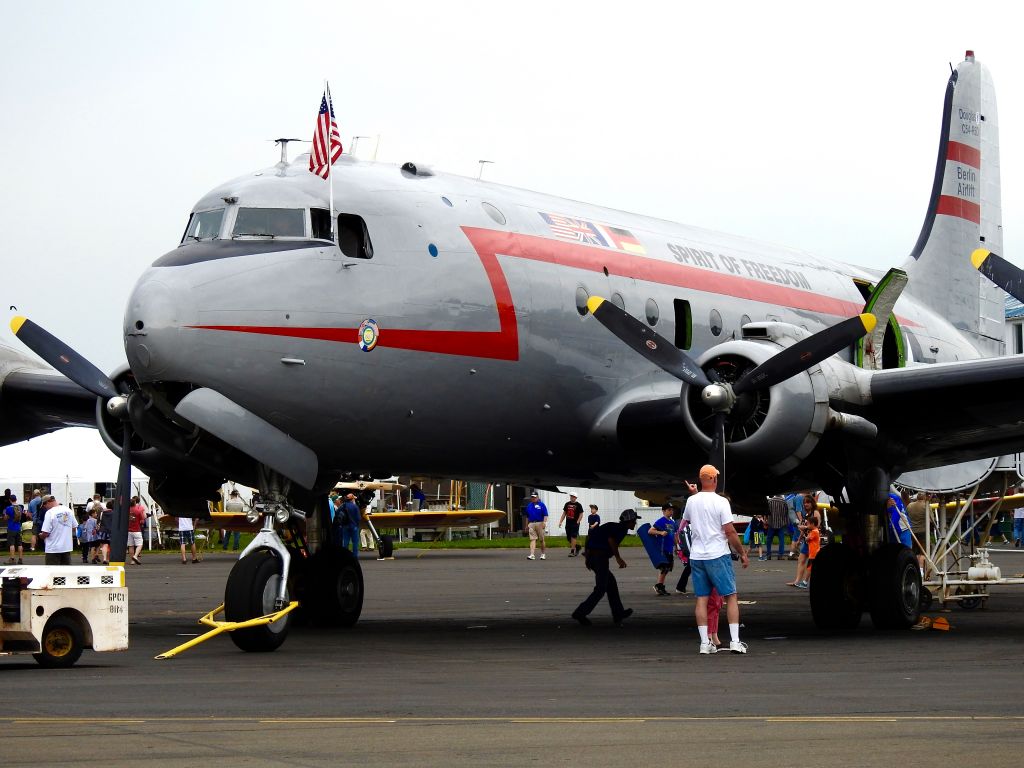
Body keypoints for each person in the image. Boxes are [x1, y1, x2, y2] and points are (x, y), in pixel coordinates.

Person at [683, 464, 749, 654]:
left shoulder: (691, 501)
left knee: (702, 599)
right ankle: (735, 641)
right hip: (717, 554)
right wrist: (742, 552)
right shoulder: (721, 502)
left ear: (701, 479)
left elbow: (686, 522)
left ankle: (705, 643)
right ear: (713, 479)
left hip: (697, 555)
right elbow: (730, 531)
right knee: (731, 596)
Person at [571, 508, 637, 626]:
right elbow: (611, 540)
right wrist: (618, 558)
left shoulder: (612, 526)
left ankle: (618, 614)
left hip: (594, 557)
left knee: (611, 584)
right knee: (601, 589)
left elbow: (589, 536)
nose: (635, 523)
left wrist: (587, 557)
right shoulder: (620, 529)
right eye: (634, 521)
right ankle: (580, 613)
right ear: (628, 521)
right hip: (600, 558)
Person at [38, 495, 76, 566]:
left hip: (53, 549)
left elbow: (45, 532)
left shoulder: (49, 513)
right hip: (66, 548)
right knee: (65, 573)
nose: (45, 507)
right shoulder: (68, 510)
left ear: (48, 502)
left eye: (44, 505)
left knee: (53, 573)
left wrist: (41, 536)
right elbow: (74, 527)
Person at [650, 503, 676, 595]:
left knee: (668, 568)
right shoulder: (661, 521)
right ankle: (659, 586)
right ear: (664, 511)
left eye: (672, 510)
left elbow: (674, 536)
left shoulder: (672, 522)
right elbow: (650, 531)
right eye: (669, 510)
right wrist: (660, 532)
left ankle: (659, 585)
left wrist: (676, 547)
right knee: (664, 567)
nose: (671, 511)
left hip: (669, 548)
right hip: (663, 548)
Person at [794, 515, 820, 589]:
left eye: (808, 524)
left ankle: (805, 582)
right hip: (813, 553)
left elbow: (807, 539)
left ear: (812, 524)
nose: (807, 525)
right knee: (810, 568)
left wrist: (804, 532)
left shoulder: (814, 532)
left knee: (809, 568)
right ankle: (805, 582)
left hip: (813, 553)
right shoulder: (815, 531)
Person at [764, 495, 789, 560]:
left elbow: (766, 511)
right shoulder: (784, 502)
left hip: (771, 523)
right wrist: (786, 523)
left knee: (769, 540)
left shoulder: (770, 501)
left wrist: (766, 520)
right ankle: (780, 555)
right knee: (781, 540)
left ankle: (768, 555)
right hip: (781, 524)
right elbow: (786, 513)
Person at [525, 491, 548, 561]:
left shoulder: (542, 505)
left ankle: (543, 554)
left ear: (537, 497)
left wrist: (544, 522)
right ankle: (532, 555)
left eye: (534, 497)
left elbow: (545, 515)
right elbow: (527, 516)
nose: (533, 498)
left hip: (540, 523)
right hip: (531, 524)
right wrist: (526, 525)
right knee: (532, 539)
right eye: (532, 497)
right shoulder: (529, 505)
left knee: (541, 540)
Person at [674, 517, 692, 594]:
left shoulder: (683, 522)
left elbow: (677, 533)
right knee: (690, 568)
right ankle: (680, 587)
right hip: (691, 548)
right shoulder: (687, 523)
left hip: (688, 548)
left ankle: (680, 587)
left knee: (689, 568)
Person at [127, 496, 147, 565]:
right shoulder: (138, 511)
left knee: (130, 545)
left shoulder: (126, 510)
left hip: (129, 530)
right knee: (139, 544)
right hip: (137, 530)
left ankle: (132, 561)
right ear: (135, 503)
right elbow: (143, 519)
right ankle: (135, 556)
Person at [340, 493, 361, 557]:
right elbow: (358, 518)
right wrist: (357, 524)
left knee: (345, 542)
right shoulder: (355, 507)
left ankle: (345, 556)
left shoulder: (343, 506)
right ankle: (354, 557)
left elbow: (338, 514)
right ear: (352, 499)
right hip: (354, 526)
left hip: (345, 526)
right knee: (355, 543)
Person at [5, 494, 24, 564]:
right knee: (19, 544)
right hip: (18, 528)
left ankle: (12, 559)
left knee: (12, 544)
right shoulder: (20, 508)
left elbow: (6, 518)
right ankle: (20, 559)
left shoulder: (8, 508)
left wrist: (6, 516)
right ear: (16, 499)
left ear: (10, 500)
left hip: (11, 528)